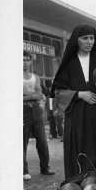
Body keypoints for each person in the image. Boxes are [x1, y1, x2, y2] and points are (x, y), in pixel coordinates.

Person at [51, 24, 96, 179]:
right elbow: (59, 92)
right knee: (82, 152)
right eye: (85, 38)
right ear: (77, 40)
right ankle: (82, 189)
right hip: (78, 117)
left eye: (92, 38)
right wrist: (79, 94)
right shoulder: (68, 64)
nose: (89, 41)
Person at [23, 51, 55, 180]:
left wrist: (25, 96)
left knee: (42, 141)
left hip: (36, 111)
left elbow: (39, 94)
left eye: (27, 60)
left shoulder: (36, 77)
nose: (25, 62)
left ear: (31, 61)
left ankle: (45, 167)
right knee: (22, 142)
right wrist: (33, 96)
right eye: (22, 60)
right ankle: (24, 171)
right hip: (22, 111)